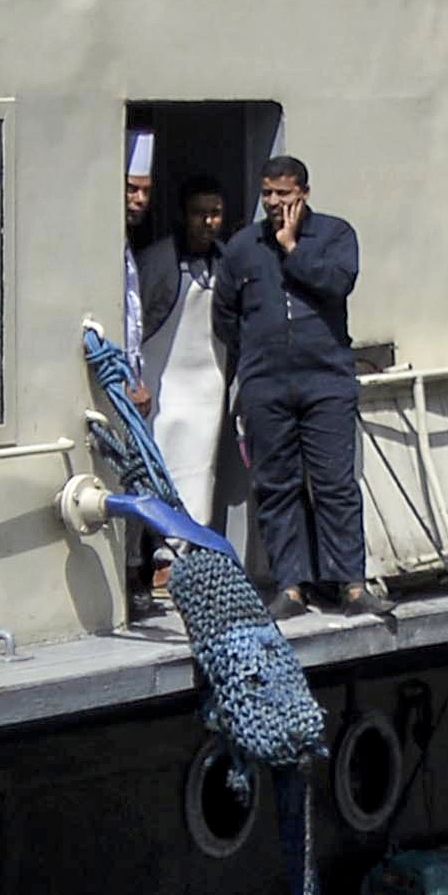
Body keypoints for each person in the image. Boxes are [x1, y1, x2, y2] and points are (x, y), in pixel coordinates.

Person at [217, 152, 369, 614]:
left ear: (303, 193)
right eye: (267, 193)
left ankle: (351, 583)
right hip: (267, 384)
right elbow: (226, 315)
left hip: (326, 380)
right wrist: (255, 363)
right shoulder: (243, 248)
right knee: (277, 485)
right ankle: (292, 585)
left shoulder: (336, 235)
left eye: (283, 194)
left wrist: (291, 249)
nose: (274, 203)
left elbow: (338, 283)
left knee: (334, 485)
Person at [141, 174, 234, 593]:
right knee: (159, 467)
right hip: (164, 379)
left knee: (201, 471)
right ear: (184, 215)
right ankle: (159, 555)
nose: (207, 222)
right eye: (200, 213)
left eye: (215, 213)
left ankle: (187, 554)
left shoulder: (229, 261)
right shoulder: (158, 260)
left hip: (208, 382)